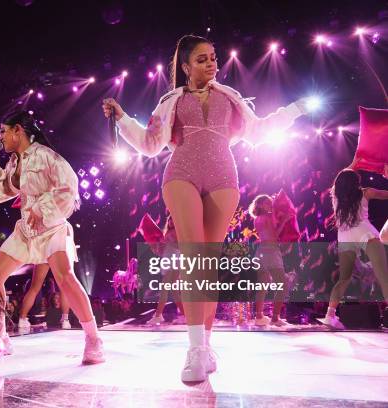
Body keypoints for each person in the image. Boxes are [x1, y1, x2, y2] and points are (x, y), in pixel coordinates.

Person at [102, 34, 310, 381]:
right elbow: (151, 144)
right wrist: (123, 118)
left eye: (213, 57)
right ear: (185, 67)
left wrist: (294, 110)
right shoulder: (171, 100)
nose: (211, 63)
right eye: (202, 59)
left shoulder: (230, 97)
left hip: (223, 178)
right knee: (195, 255)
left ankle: (207, 346)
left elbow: (259, 131)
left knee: (208, 265)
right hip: (180, 173)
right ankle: (194, 349)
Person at [0, 110, 104, 364]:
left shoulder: (46, 156)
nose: (0, 137)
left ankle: (93, 339)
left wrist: (40, 206)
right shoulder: (15, 162)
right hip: (26, 230)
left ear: (18, 131)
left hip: (51, 227)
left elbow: (69, 187)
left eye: (4, 131)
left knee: (65, 278)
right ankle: (1, 335)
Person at [318, 168, 388, 329]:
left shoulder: (336, 196)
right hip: (364, 232)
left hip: (345, 236)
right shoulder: (366, 192)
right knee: (384, 276)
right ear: (356, 182)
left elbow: (340, 176)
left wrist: (354, 162)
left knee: (344, 279)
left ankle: (329, 315)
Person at [248, 195, 291, 327]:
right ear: (260, 205)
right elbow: (273, 236)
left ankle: (259, 316)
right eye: (268, 203)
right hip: (271, 252)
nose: (271, 206)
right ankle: (275, 318)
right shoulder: (267, 217)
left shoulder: (257, 219)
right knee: (282, 284)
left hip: (261, 252)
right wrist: (283, 220)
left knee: (262, 285)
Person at [147, 215, 187, 325]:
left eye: (173, 220)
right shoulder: (167, 233)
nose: (171, 222)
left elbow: (181, 246)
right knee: (174, 293)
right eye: (169, 220)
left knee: (164, 289)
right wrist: (157, 246)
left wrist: (168, 242)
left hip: (175, 262)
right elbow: (163, 251)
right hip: (168, 261)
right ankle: (186, 316)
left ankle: (158, 315)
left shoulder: (176, 232)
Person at [18, 264, 71, 332]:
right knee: (63, 288)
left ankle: (22, 319)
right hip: (58, 254)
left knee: (34, 288)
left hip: (44, 255)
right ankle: (65, 320)